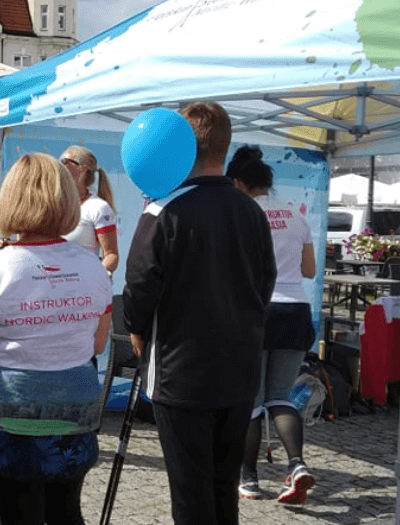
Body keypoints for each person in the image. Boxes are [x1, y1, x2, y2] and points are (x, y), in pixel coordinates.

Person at [122, 101, 276, 525]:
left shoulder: (162, 211)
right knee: (223, 488)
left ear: (180, 147)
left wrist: (137, 329)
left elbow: (138, 289)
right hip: (238, 371)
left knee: (191, 495)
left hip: (182, 373)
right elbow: (266, 283)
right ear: (224, 149)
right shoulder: (253, 213)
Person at [0, 153, 113, 525]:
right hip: (75, 410)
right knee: (66, 511)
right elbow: (96, 345)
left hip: (13, 411)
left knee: (18, 514)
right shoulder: (94, 266)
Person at [228, 146, 318, 504]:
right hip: (296, 312)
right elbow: (309, 270)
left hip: (256, 311)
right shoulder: (296, 217)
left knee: (250, 401)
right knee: (280, 396)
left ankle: (248, 479)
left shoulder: (241, 213)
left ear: (237, 182)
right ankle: (296, 465)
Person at [60, 145, 119, 274]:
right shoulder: (52, 204)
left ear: (82, 170)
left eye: (64, 162)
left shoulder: (98, 207)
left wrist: (95, 278)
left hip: (81, 288)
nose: (59, 166)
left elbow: (111, 254)